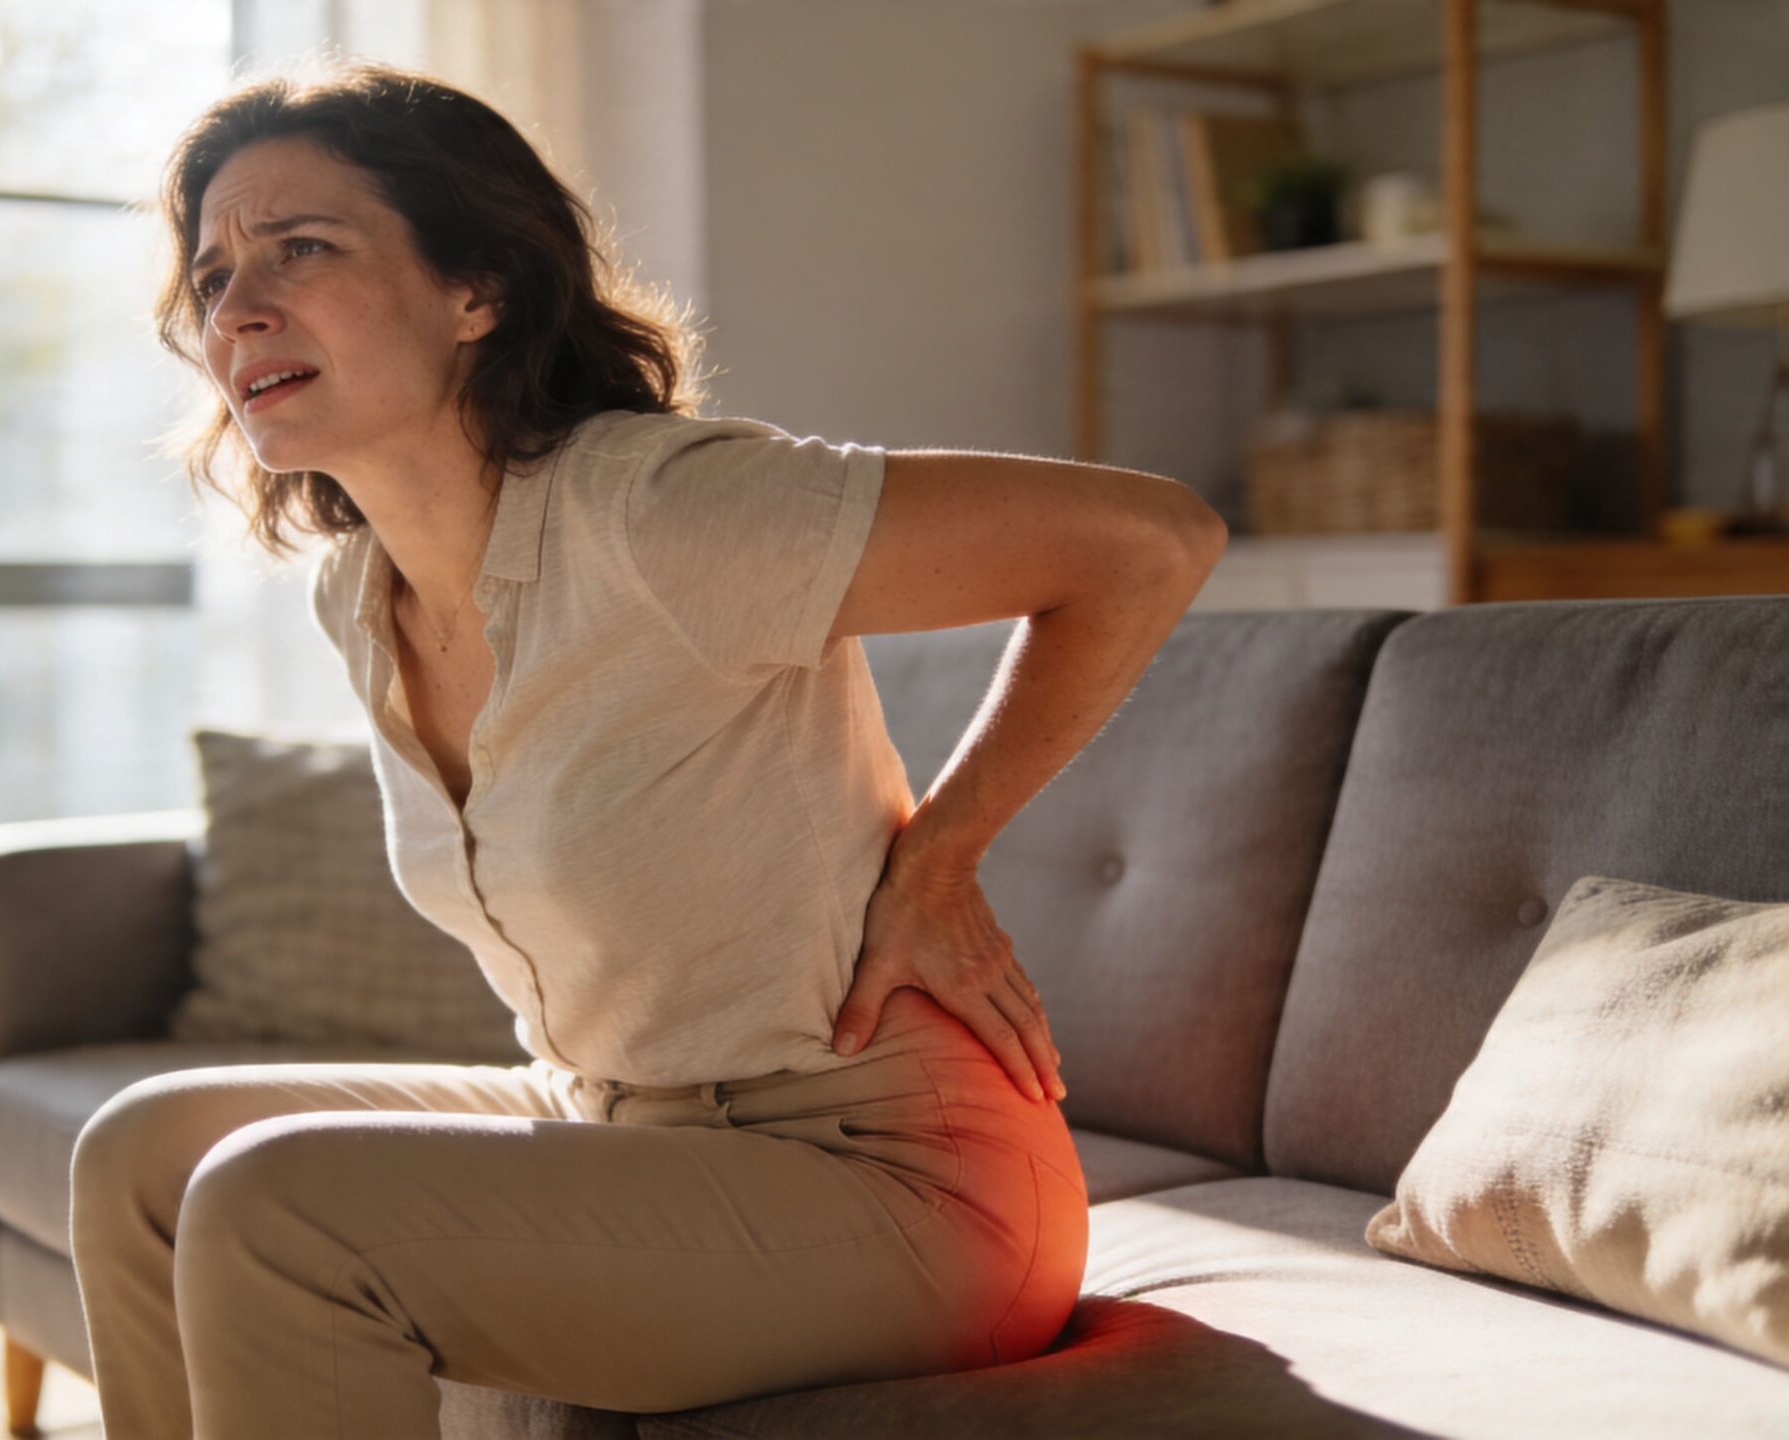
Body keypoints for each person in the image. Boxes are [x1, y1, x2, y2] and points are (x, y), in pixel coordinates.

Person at [70, 60, 1227, 1440]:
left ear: (475, 291)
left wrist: (945, 855)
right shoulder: (359, 593)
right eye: (211, 279)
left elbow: (1151, 542)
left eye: (301, 249)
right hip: (620, 1119)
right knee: (141, 1153)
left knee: (279, 1208)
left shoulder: (660, 511)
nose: (239, 308)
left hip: (895, 1175)